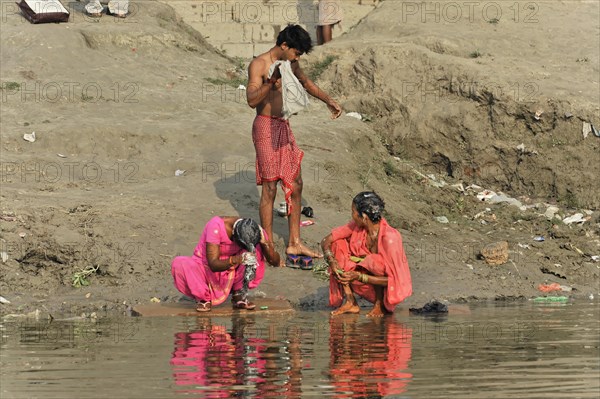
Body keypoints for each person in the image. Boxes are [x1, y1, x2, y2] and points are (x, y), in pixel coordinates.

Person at [246, 24, 342, 262]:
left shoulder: (290, 63)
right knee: (270, 187)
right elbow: (250, 100)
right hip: (265, 127)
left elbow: (306, 82)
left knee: (296, 183)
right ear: (285, 46)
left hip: (283, 126)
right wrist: (271, 82)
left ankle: (294, 243)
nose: (297, 58)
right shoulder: (259, 64)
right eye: (296, 53)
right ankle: (267, 245)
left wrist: (329, 100)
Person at [321, 192, 412, 317]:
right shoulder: (357, 226)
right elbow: (326, 241)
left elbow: (394, 281)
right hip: (359, 280)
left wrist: (359, 276)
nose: (352, 216)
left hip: (387, 290)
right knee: (338, 244)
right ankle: (350, 301)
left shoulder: (390, 238)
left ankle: (379, 305)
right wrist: (333, 263)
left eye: (353, 212)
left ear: (364, 217)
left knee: (375, 261)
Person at [171, 217, 280, 312]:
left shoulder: (256, 231)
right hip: (207, 269)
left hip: (233, 271)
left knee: (257, 250)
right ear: (234, 236)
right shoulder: (216, 226)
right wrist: (237, 259)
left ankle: (239, 294)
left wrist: (264, 243)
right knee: (179, 263)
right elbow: (213, 264)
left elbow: (275, 262)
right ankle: (203, 298)